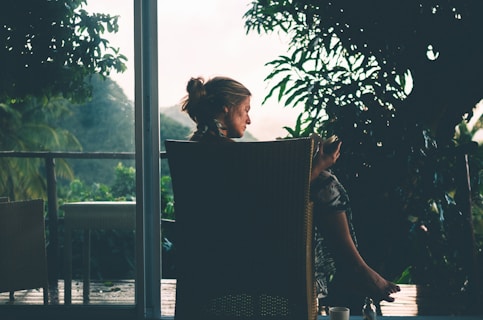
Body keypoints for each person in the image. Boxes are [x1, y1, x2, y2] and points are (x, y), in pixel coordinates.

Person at [180, 75, 400, 307]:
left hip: (212, 247)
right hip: (250, 248)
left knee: (321, 180)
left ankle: (354, 268)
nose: (249, 120)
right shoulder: (229, 154)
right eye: (245, 110)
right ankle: (354, 268)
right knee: (324, 181)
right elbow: (269, 203)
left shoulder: (194, 149)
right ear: (226, 109)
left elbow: (254, 200)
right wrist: (319, 165)